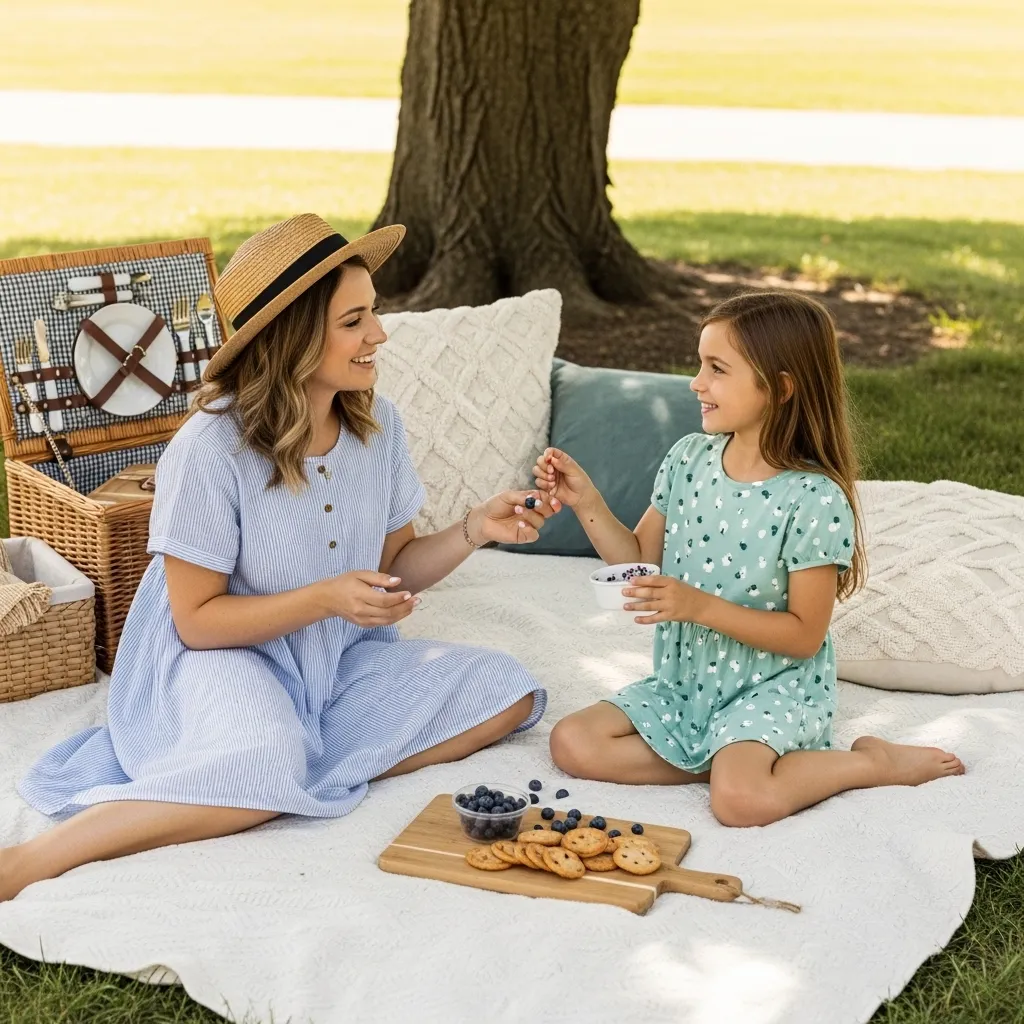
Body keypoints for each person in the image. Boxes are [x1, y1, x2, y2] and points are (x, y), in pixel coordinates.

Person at [2, 214, 553, 902]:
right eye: (355, 321)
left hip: (335, 657)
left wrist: (474, 529)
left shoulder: (376, 428)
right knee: (265, 758)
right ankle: (31, 859)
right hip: (217, 661)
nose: (379, 335)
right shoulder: (210, 449)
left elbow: (396, 568)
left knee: (507, 690)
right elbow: (197, 622)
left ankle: (290, 768)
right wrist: (325, 598)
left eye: (372, 314)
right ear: (294, 337)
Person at [543, 290, 964, 827]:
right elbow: (640, 558)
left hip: (772, 689)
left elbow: (804, 635)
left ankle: (867, 762)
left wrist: (697, 606)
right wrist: (587, 502)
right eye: (701, 365)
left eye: (717, 369)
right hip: (687, 682)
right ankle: (725, 760)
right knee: (573, 743)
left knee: (741, 803)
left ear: (781, 387)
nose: (697, 382)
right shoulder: (688, 458)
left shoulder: (813, 499)